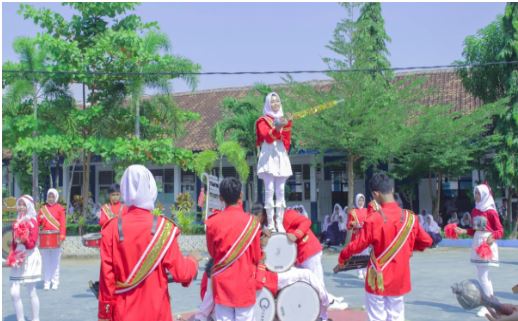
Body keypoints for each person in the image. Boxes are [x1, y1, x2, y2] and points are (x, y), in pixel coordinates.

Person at [97, 165, 199, 321]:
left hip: (122, 313)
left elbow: (106, 279)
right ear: (150, 188)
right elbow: (182, 273)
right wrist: (193, 260)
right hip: (156, 312)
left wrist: (104, 313)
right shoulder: (163, 228)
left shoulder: (110, 229)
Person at [334, 172, 433, 321]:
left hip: (377, 278)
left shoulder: (374, 219)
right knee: (397, 317)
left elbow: (356, 246)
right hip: (400, 278)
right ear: (392, 190)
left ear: (375, 194)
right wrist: (408, 248)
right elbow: (427, 241)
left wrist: (342, 258)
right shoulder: (410, 217)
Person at [250, 203, 346, 305]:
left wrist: (296, 235)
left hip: (309, 251)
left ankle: (326, 310)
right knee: (309, 283)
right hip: (297, 256)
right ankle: (328, 302)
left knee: (317, 283)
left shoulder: (287, 215)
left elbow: (306, 221)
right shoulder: (270, 225)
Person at [206, 177, 262, 321]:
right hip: (245, 284)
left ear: (221, 198)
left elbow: (212, 253)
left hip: (222, 285)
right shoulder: (252, 223)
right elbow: (256, 256)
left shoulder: (212, 223)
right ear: (240, 196)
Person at [456, 184, 504, 318]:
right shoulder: (475, 210)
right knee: (483, 277)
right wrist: (464, 230)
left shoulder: (491, 211)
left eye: (478, 193)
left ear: (484, 195)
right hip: (477, 242)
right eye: (475, 193)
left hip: (487, 244)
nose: (475, 196)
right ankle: (492, 304)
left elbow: (500, 230)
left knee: (483, 277)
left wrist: (492, 237)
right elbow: (475, 230)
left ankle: (488, 307)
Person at [256, 92, 293, 232]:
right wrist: (277, 127)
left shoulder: (283, 118)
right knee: (269, 189)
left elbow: (287, 139)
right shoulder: (262, 120)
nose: (275, 104)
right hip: (268, 156)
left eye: (277, 101)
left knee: (281, 191)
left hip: (280, 155)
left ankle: (280, 223)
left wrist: (287, 122)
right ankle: (270, 223)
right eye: (272, 102)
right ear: (267, 104)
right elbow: (267, 137)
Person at [8, 195, 42, 321]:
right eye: (19, 205)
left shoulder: (32, 221)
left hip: (30, 257)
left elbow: (32, 243)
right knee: (14, 292)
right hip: (18, 257)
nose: (21, 207)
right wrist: (12, 255)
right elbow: (13, 242)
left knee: (31, 290)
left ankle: (35, 318)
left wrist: (22, 240)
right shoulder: (16, 222)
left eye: (24, 205)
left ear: (29, 206)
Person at [37, 188, 66, 290]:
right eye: (49, 196)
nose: (50, 198)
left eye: (52, 196)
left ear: (56, 197)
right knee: (45, 261)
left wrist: (62, 236)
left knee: (55, 261)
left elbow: (62, 224)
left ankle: (55, 281)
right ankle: (46, 281)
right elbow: (37, 223)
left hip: (56, 238)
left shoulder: (60, 209)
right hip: (45, 239)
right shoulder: (42, 209)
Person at [347, 193, 370, 279]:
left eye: (362, 200)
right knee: (357, 254)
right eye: (359, 200)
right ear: (356, 201)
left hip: (365, 235)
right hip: (356, 236)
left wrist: (365, 224)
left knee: (365, 253)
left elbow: (371, 222)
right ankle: (359, 271)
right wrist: (354, 224)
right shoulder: (353, 212)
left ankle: (365, 271)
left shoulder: (367, 211)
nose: (361, 202)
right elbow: (348, 225)